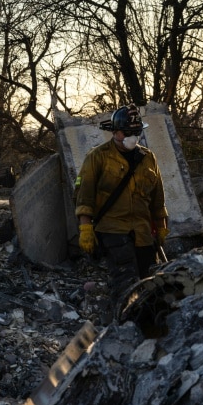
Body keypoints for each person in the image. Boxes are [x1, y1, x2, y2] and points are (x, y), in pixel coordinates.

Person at [74, 104, 168, 313]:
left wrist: (161, 227)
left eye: (136, 132)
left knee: (147, 281)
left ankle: (148, 322)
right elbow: (84, 197)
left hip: (142, 233)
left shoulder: (148, 158)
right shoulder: (97, 157)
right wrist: (85, 230)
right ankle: (124, 321)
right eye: (128, 132)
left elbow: (157, 199)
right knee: (125, 280)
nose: (133, 137)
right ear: (115, 132)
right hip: (113, 230)